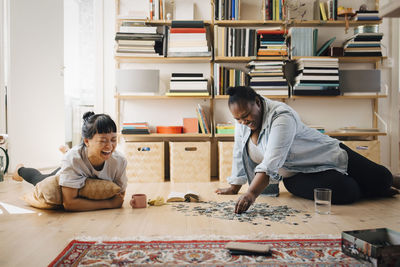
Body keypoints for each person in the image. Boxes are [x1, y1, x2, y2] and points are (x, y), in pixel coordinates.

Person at [216, 86, 399, 214]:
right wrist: (234, 187)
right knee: (348, 192)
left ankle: (381, 185)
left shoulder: (281, 117)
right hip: (296, 176)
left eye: (246, 116)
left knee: (383, 178)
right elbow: (239, 151)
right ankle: (372, 189)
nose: (243, 122)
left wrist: (250, 195)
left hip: (328, 155)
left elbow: (271, 161)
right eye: (238, 119)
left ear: (257, 102)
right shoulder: (242, 119)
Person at [13, 112, 127, 212]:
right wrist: (109, 204)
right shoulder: (72, 160)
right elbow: (69, 204)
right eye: (103, 141)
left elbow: (120, 197)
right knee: (39, 178)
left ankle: (66, 150)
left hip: (75, 164)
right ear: (87, 141)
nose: (109, 146)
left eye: (113, 140)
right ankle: (19, 170)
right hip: (68, 169)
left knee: (71, 157)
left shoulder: (119, 161)